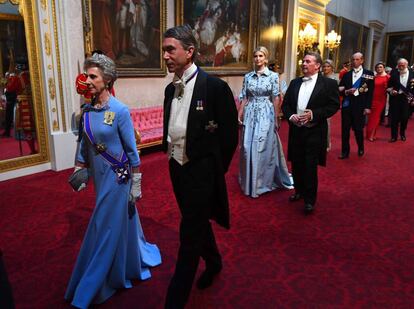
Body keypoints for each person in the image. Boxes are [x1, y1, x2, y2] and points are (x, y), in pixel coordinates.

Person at [65, 53, 161, 308]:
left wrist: (137, 183)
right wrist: (79, 169)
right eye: (86, 75)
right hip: (99, 176)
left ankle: (93, 284)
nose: (87, 80)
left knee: (103, 226)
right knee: (120, 220)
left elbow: (131, 150)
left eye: (93, 76)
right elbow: (83, 144)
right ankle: (128, 263)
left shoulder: (120, 110)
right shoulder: (86, 110)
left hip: (119, 178)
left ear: (107, 80)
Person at [161, 25, 238, 308]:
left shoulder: (215, 88)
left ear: (189, 52)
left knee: (189, 233)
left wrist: (215, 171)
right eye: (164, 50)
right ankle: (215, 261)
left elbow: (229, 137)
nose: (166, 56)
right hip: (176, 167)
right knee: (196, 221)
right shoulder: (170, 90)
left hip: (203, 172)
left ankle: (175, 298)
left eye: (171, 49)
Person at [282, 52, 339, 214]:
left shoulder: (328, 84)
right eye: (303, 61)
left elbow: (333, 106)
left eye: (308, 61)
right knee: (297, 163)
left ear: (318, 66)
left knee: (310, 165)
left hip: (314, 131)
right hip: (296, 130)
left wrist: (314, 114)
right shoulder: (294, 83)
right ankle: (298, 191)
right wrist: (291, 116)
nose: (304, 64)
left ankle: (309, 200)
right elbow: (286, 105)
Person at [238, 46, 293, 198]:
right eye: (255, 56)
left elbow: (276, 97)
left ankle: (261, 183)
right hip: (250, 113)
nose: (258, 59)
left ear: (266, 58)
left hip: (266, 113)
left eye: (261, 56)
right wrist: (239, 114)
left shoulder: (273, 76)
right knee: (248, 147)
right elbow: (244, 97)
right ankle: (249, 180)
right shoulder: (248, 76)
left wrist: (276, 117)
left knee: (261, 147)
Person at [338, 52, 374, 159]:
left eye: (357, 59)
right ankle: (345, 151)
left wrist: (367, 107)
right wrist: (346, 91)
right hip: (347, 105)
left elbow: (370, 92)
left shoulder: (369, 74)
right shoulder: (347, 74)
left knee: (358, 129)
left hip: (360, 106)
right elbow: (340, 90)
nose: (354, 62)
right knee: (345, 130)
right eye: (353, 60)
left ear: (362, 60)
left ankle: (361, 147)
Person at [387, 58, 414, 142]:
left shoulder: (413, 74)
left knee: (405, 117)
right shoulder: (394, 73)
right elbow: (388, 86)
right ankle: (393, 136)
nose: (401, 66)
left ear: (407, 64)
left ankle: (402, 133)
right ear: (398, 65)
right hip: (395, 98)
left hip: (407, 99)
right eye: (400, 65)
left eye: (403, 65)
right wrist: (391, 91)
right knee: (394, 118)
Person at [366, 62, 390, 141]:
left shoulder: (388, 77)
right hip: (371, 99)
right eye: (377, 67)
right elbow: (366, 86)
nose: (379, 69)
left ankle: (371, 135)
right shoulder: (373, 77)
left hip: (380, 100)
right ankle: (369, 134)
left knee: (375, 117)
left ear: (384, 68)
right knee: (370, 117)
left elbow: (392, 87)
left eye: (380, 67)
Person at [322, 59, 339, 151]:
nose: (325, 68)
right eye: (324, 66)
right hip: (318, 103)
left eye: (328, 66)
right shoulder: (319, 76)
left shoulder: (335, 78)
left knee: (326, 124)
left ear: (332, 68)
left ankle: (327, 144)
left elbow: (336, 93)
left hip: (328, 104)